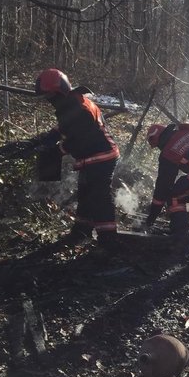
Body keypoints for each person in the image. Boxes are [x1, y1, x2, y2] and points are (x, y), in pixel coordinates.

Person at [35, 68, 120, 246]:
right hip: (92, 156)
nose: (48, 100)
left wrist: (58, 150)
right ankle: (81, 232)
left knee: (99, 197)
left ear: (58, 92)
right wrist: (49, 137)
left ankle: (108, 240)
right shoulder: (72, 103)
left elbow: (80, 139)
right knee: (85, 195)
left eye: (49, 96)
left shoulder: (78, 108)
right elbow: (68, 127)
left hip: (101, 156)